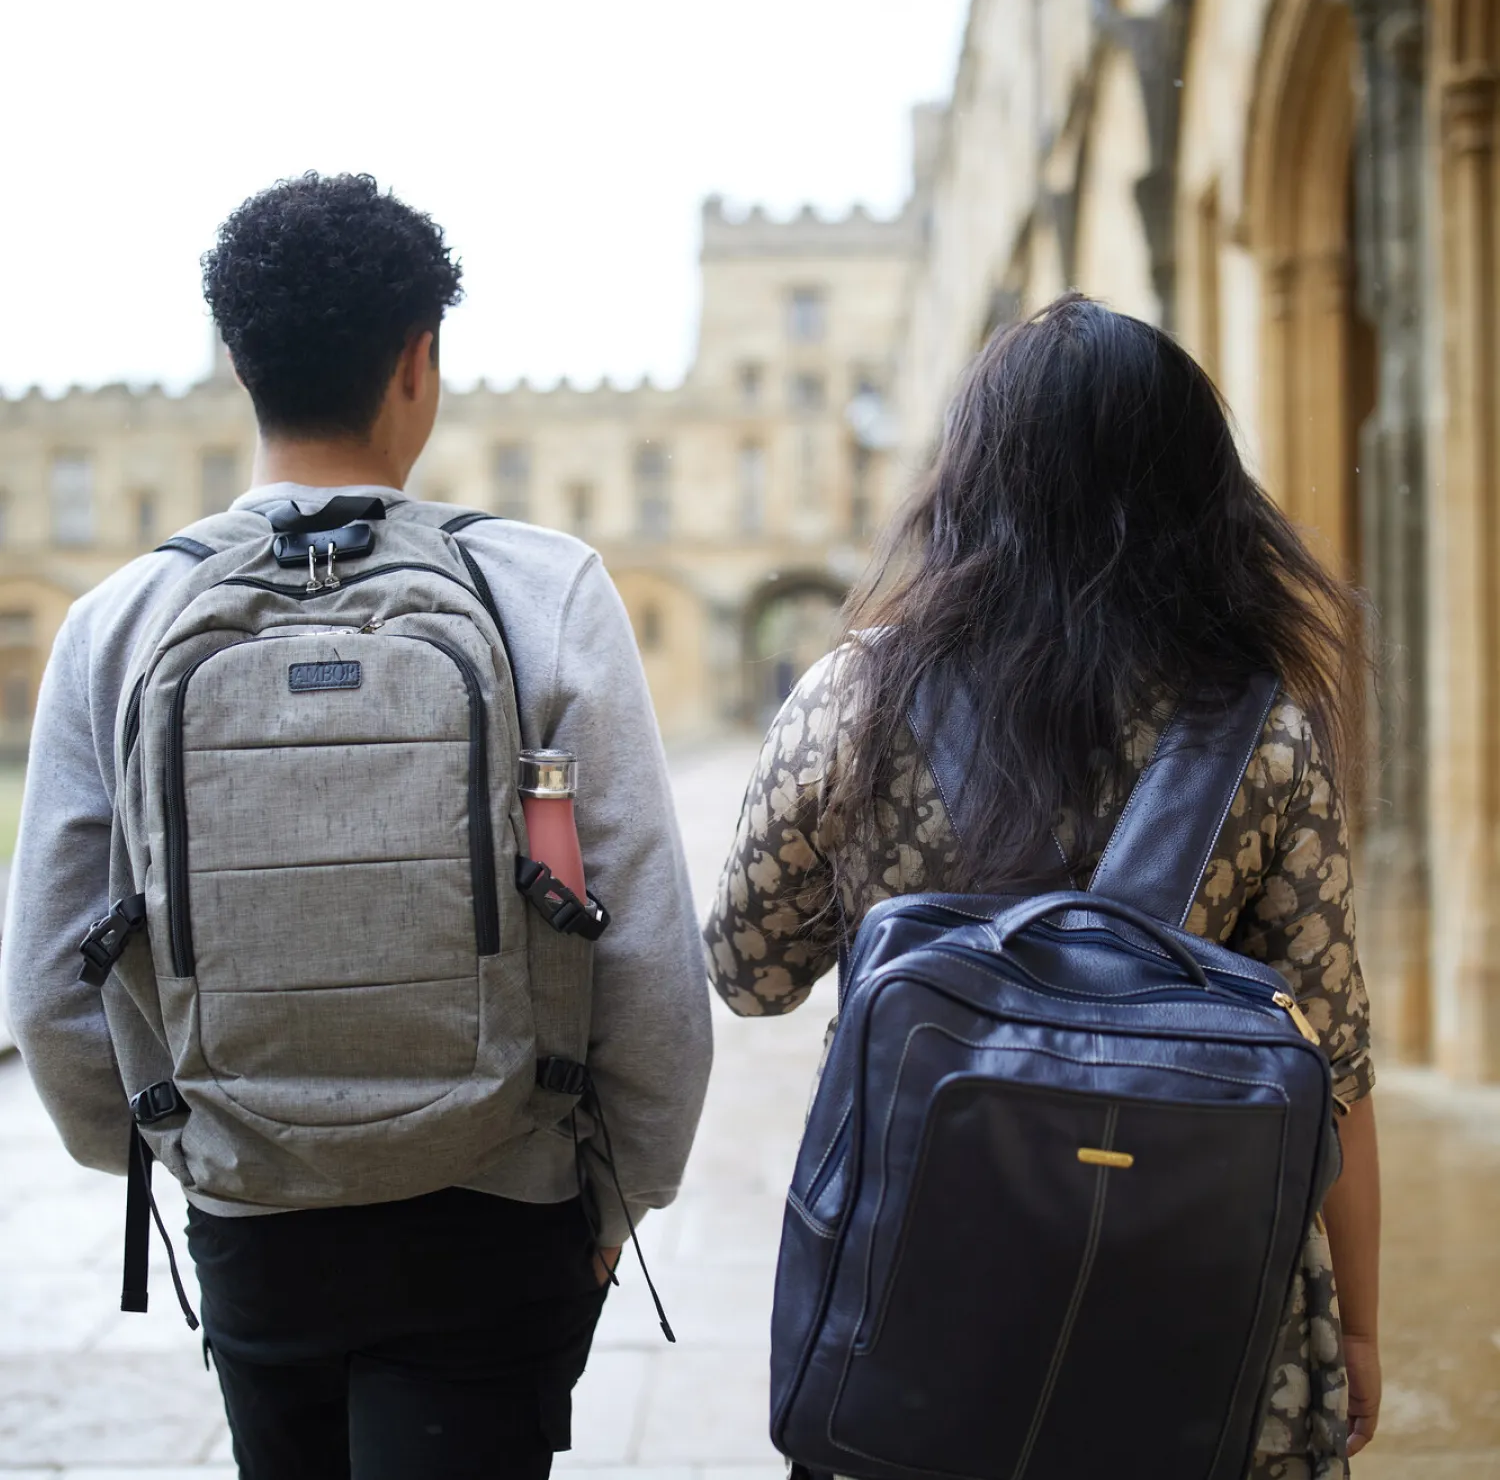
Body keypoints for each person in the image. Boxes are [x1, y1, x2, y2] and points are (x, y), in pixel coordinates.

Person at [3, 172, 713, 1479]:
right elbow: (651, 962)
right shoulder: (542, 591)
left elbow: (52, 984)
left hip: (253, 1215)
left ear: (238, 361)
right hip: (501, 1205)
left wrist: (183, 1153)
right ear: (418, 359)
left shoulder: (115, 625)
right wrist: (621, 1198)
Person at [704, 295, 1381, 1480]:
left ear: (969, 482)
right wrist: (1361, 1330)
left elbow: (748, 973)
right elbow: (1335, 1067)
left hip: (916, 1315)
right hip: (1199, 1334)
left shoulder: (853, 701)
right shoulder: (1262, 731)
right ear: (1199, 490)